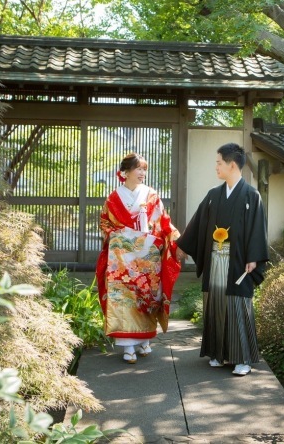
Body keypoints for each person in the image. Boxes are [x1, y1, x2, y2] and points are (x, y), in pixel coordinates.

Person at [176, 143, 269, 376]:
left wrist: (254, 258)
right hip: (215, 259)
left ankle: (242, 358)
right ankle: (218, 353)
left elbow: (258, 229)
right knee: (215, 304)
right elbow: (198, 223)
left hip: (238, 262)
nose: (216, 167)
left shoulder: (251, 195)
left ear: (232, 164)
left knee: (237, 306)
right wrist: (182, 245)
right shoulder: (213, 195)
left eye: (219, 162)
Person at [96, 153, 182, 364]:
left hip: (146, 256)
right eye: (139, 169)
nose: (143, 173)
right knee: (125, 298)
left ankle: (144, 341)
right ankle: (127, 347)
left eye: (145, 169)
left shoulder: (151, 195)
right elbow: (105, 224)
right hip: (122, 258)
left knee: (147, 296)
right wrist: (119, 236)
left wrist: (176, 240)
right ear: (126, 172)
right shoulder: (114, 198)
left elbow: (163, 222)